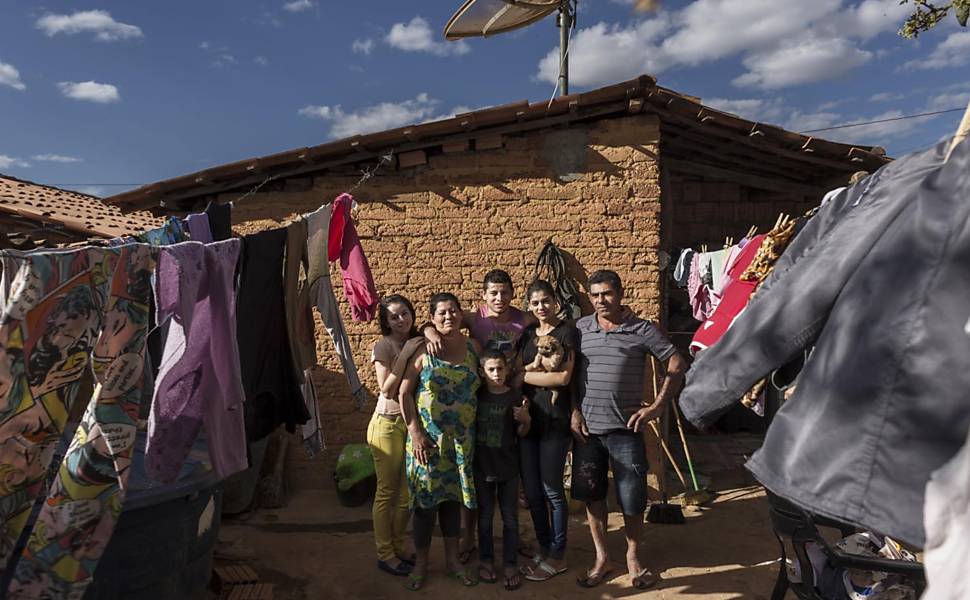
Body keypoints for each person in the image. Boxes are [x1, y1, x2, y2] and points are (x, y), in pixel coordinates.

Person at [570, 270, 686, 590]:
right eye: (594, 295)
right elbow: (570, 373)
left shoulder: (642, 330)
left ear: (620, 294)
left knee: (632, 498)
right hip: (588, 431)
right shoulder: (581, 328)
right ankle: (602, 557)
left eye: (606, 294)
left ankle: (633, 557)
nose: (600, 301)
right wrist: (575, 411)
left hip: (625, 429)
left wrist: (657, 406)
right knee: (593, 496)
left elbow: (676, 364)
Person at [421, 269, 535, 563]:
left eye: (505, 292)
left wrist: (525, 375)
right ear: (483, 296)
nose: (499, 298)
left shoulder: (524, 319)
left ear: (513, 293)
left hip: (512, 398)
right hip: (480, 399)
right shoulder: (473, 318)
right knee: (476, 473)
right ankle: (469, 537)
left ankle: (520, 534)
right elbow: (436, 322)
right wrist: (429, 332)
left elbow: (552, 325)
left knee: (515, 470)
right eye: (493, 293)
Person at [399, 293, 482, 590]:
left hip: (461, 443)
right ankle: (421, 563)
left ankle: (452, 560)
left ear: (461, 314)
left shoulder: (474, 348)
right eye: (441, 313)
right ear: (432, 319)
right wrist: (416, 433)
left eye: (453, 311)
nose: (448, 317)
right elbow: (404, 393)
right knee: (424, 505)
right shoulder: (424, 351)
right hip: (427, 444)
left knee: (452, 502)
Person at [516, 280, 579, 582]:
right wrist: (531, 374)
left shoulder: (568, 332)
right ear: (529, 305)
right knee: (532, 491)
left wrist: (528, 375)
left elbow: (564, 378)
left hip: (555, 420)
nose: (541, 307)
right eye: (535, 302)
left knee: (553, 490)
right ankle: (544, 546)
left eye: (546, 301)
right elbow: (518, 370)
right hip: (529, 422)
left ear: (555, 302)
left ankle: (559, 554)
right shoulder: (528, 334)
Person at [367, 295, 426, 577]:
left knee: (406, 494)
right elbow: (386, 390)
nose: (401, 320)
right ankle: (385, 553)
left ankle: (399, 544)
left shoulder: (418, 340)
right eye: (394, 317)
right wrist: (403, 355)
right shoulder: (384, 345)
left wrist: (426, 333)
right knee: (387, 492)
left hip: (409, 425)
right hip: (387, 425)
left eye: (405, 313)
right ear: (386, 322)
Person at [474, 348, 531, 590]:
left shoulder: (516, 397)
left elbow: (522, 434)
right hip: (481, 467)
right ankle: (486, 561)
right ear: (482, 372)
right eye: (491, 370)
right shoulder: (476, 396)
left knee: (510, 518)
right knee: (485, 518)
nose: (497, 374)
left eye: (500, 369)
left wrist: (526, 419)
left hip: (508, 468)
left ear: (508, 370)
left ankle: (510, 564)